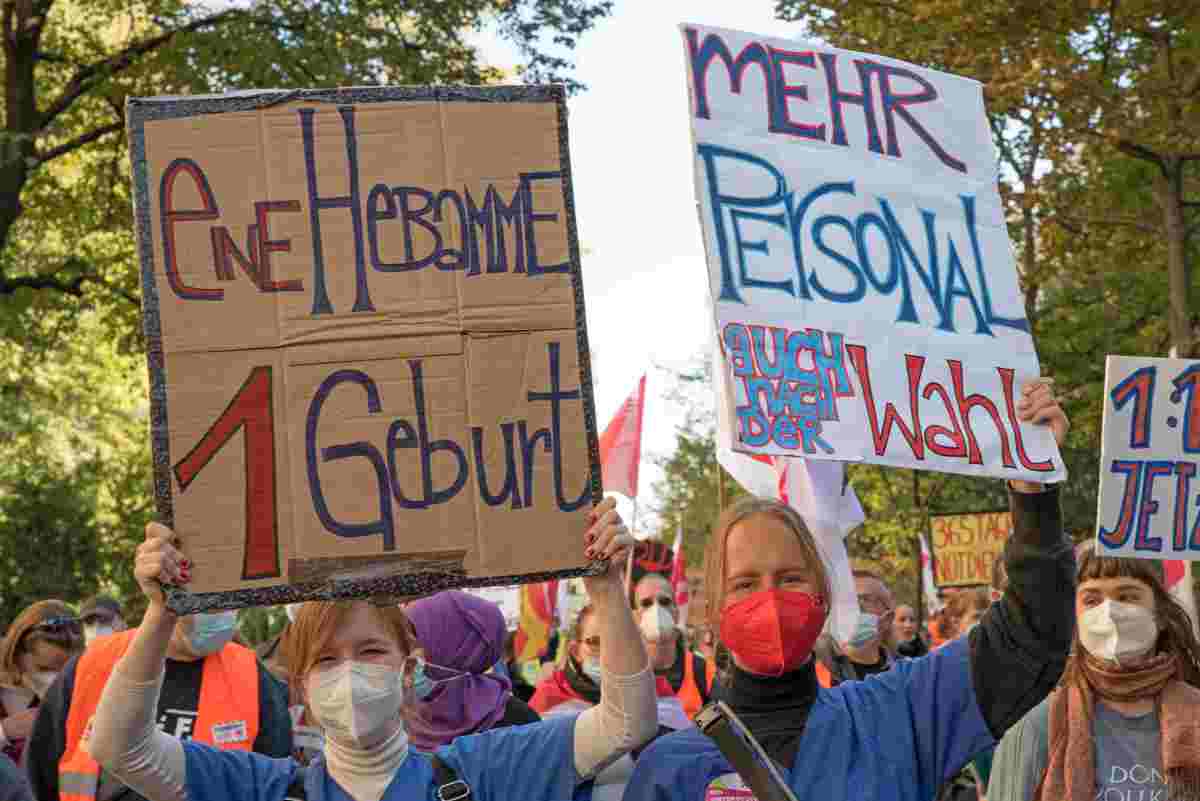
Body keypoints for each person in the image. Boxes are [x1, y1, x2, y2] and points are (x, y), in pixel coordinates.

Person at [622, 379, 1075, 801]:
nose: (771, 598)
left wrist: (1031, 486)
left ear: (823, 594)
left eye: (790, 579)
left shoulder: (898, 712)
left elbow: (1029, 636)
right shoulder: (670, 769)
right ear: (714, 609)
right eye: (745, 584)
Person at [85, 497, 658, 801]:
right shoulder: (263, 789)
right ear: (302, 687)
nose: (349, 674)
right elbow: (117, 746)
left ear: (410, 670)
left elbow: (624, 723)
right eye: (326, 661)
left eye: (371, 652)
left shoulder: (483, 773)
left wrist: (607, 589)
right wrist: (162, 614)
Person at [988, 548, 1200, 801]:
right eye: (1091, 600)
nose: (1110, 611)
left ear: (1161, 614)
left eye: (1127, 597)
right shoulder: (1037, 728)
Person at [26, 602, 292, 801]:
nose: (218, 614)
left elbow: (279, 783)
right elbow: (39, 773)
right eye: (206, 598)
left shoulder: (250, 674)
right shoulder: (92, 665)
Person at [404, 590, 539, 750]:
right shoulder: (394, 715)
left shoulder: (517, 723)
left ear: (454, 647)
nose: (405, 655)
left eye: (416, 643)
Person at [0, 600, 83, 764]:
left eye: (64, 670)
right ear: (16, 653)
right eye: (44, 668)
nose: (55, 678)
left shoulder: (75, 693)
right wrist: (5, 731)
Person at [631, 572, 715, 719]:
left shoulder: (704, 672)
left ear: (676, 614)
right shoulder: (620, 675)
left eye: (664, 602)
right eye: (646, 604)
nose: (656, 610)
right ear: (636, 617)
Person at [813, 569, 896, 687]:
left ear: (887, 619)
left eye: (863, 599)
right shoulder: (813, 675)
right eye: (844, 601)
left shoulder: (903, 677)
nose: (851, 608)